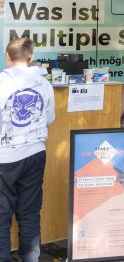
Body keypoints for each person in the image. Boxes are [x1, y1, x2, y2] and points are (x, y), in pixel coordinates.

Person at [0, 38, 55, 262]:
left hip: (5, 157)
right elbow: (49, 118)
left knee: (2, 216)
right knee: (30, 213)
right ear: (30, 57)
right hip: (35, 153)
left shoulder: (1, 83)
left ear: (7, 56)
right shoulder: (44, 83)